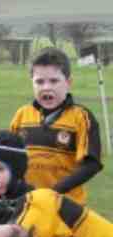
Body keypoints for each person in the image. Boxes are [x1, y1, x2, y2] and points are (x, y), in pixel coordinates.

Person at [10, 47, 103, 206]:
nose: (46, 87)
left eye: (54, 81)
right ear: (31, 82)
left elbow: (92, 164)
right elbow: (10, 159)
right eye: (39, 81)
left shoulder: (81, 117)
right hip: (28, 204)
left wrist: (54, 192)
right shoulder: (22, 115)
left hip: (67, 206)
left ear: (68, 83)